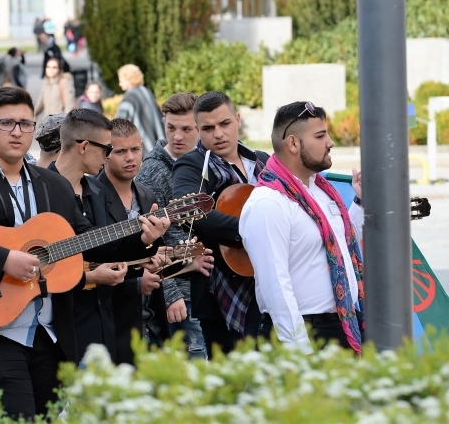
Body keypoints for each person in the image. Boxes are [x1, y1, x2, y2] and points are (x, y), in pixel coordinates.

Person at [0, 87, 169, 420]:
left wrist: (142, 236)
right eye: (6, 123)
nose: (17, 131)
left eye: (25, 123)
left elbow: (90, 240)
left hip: (47, 334)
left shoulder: (53, 186)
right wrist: (2, 260)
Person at [240, 102, 365, 353]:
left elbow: (343, 246)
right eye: (320, 136)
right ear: (294, 144)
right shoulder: (268, 202)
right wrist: (300, 353)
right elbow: (275, 286)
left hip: (341, 326)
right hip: (305, 333)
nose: (330, 142)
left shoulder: (320, 189)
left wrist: (360, 201)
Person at [50, 109, 160, 361]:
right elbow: (42, 263)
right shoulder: (43, 188)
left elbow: (102, 246)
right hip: (59, 326)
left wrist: (144, 242)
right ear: (85, 146)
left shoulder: (96, 190)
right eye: (108, 149)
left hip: (101, 324)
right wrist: (89, 277)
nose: (108, 156)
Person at [172, 91, 269, 356]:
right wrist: (254, 233)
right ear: (198, 131)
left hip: (269, 286)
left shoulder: (262, 161)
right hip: (221, 294)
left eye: (224, 124)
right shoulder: (190, 166)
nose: (218, 134)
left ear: (237, 120)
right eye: (208, 128)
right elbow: (190, 211)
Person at [135, 92, 210, 359]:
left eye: (186, 129)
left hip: (210, 286)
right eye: (171, 128)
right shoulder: (152, 171)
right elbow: (145, 242)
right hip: (180, 291)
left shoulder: (208, 163)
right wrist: (170, 293)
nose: (177, 136)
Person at [97, 118, 172, 365]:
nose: (130, 157)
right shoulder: (92, 195)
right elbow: (94, 260)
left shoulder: (146, 193)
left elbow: (152, 251)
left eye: (135, 149)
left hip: (150, 318)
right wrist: (135, 283)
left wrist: (160, 257)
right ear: (105, 154)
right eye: (120, 151)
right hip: (112, 322)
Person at [115, 65, 164, 157]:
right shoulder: (146, 91)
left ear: (128, 78)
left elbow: (119, 124)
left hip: (142, 145)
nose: (120, 83)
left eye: (121, 80)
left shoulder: (130, 96)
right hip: (157, 143)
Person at [34, 58, 75, 123]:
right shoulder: (46, 83)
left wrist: (64, 123)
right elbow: (40, 103)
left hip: (59, 124)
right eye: (48, 67)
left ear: (59, 69)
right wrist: (32, 115)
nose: (51, 70)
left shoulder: (64, 82)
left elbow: (69, 105)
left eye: (54, 67)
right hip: (46, 123)